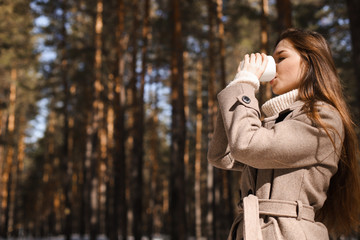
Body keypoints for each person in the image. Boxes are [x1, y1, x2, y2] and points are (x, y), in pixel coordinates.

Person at [207, 28, 360, 239]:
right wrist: (238, 86)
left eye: (281, 58)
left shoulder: (322, 119)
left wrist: (245, 86)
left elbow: (246, 145)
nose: (272, 64)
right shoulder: (274, 122)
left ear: (309, 62)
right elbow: (221, 156)